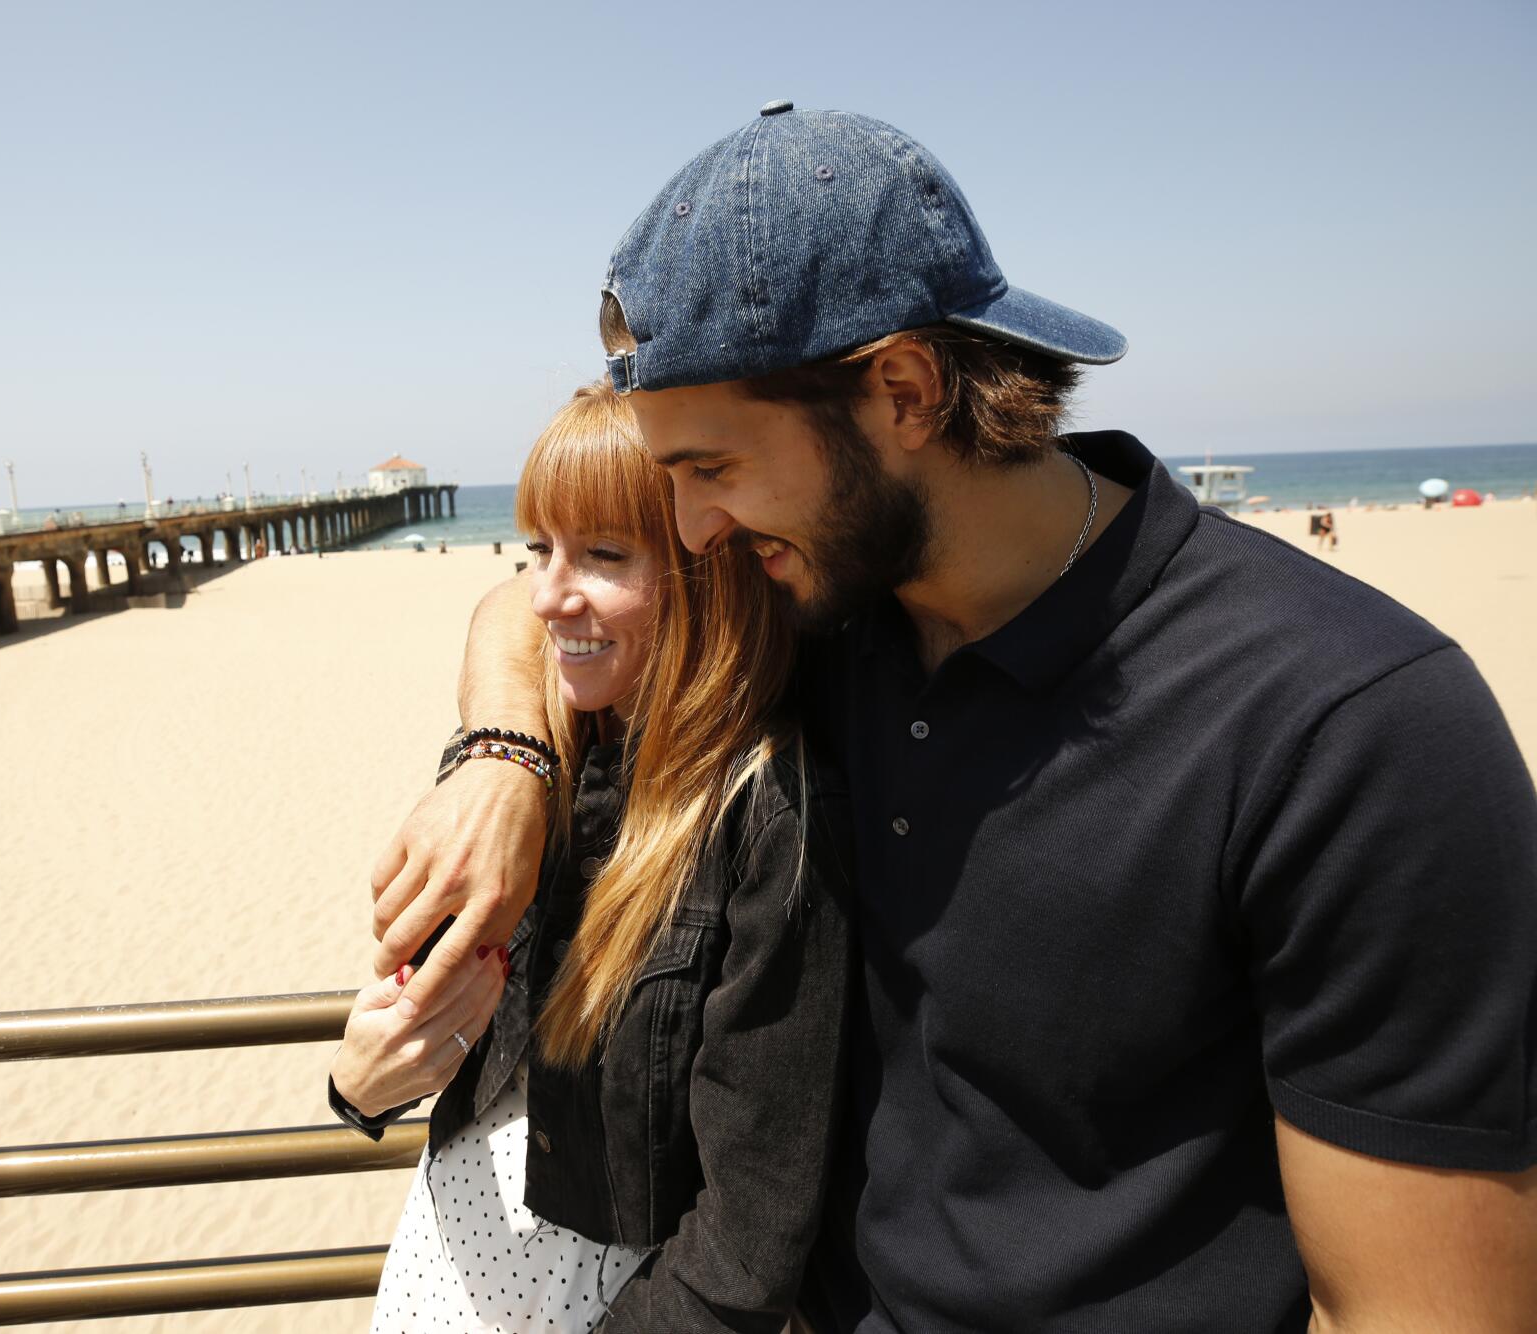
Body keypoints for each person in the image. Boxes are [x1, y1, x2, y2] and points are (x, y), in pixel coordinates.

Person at [368, 104, 1537, 1331]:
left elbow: (1425, 1307)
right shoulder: (816, 609)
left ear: (906, 391)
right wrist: (500, 759)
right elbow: (523, 605)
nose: (697, 529)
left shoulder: (1347, 727)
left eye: (711, 468)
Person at [330, 381, 853, 1331]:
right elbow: (432, 1036)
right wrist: (360, 1088)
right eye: (539, 549)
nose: (547, 594)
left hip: (615, 1300)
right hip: (446, 1250)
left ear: (712, 572)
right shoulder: (541, 765)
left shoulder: (771, 809)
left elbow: (752, 1228)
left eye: (603, 555)